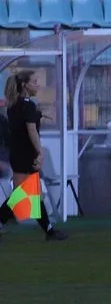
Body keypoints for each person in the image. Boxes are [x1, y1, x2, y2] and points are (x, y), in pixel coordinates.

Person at [0, 71, 67, 242]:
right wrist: (40, 152)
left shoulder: (14, 105)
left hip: (18, 153)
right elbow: (31, 130)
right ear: (24, 85)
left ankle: (49, 231)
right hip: (26, 154)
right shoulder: (28, 106)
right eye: (35, 82)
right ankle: (49, 231)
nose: (38, 85)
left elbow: (23, 121)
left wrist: (39, 114)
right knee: (20, 195)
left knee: (31, 194)